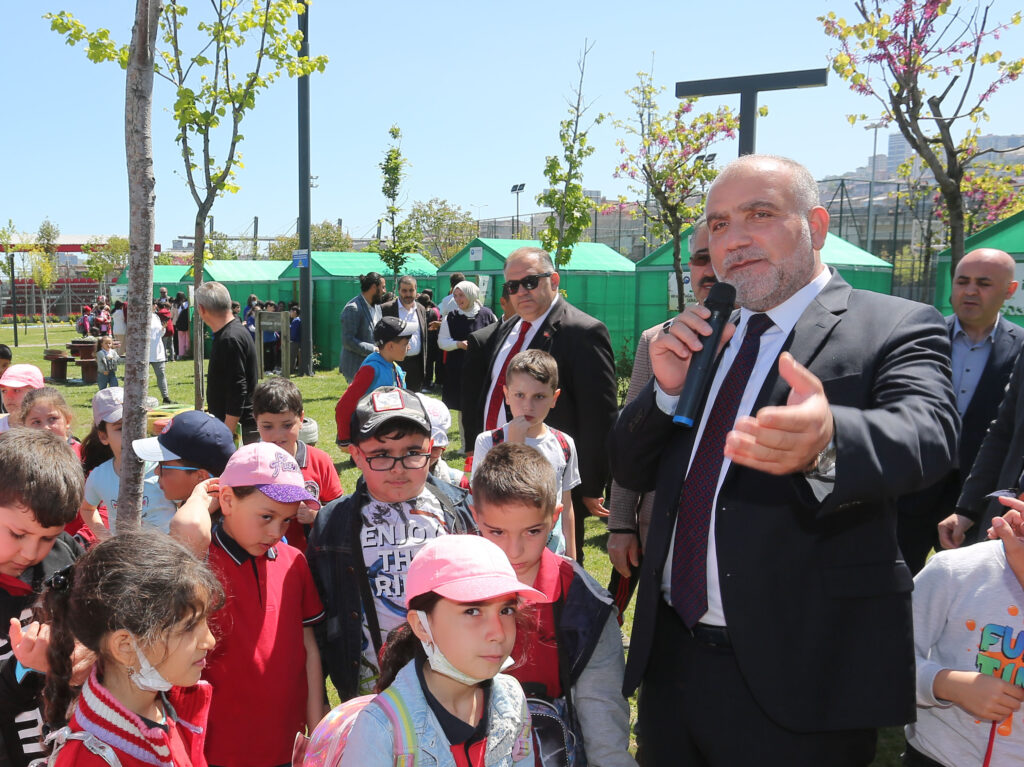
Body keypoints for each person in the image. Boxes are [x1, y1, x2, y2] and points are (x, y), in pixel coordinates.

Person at [610, 154, 958, 765]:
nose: (734, 238)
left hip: (801, 676)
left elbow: (928, 433)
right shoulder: (700, 336)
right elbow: (630, 466)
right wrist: (664, 393)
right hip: (672, 664)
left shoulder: (894, 324)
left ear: (816, 226)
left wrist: (829, 442)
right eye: (718, 225)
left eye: (759, 214)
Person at [308, 387, 476, 700]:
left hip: (454, 685)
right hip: (371, 695)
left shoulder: (463, 511)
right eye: (381, 455)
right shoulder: (333, 524)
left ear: (432, 448)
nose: (398, 468)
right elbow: (317, 624)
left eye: (412, 452)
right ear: (356, 454)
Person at [473, 443, 634, 767]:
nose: (513, 550)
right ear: (475, 516)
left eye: (532, 531)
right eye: (497, 531)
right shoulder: (449, 591)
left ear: (554, 517)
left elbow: (605, 735)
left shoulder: (585, 607)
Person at [463, 246, 617, 563]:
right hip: (492, 460)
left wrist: (589, 484)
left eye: (531, 281)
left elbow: (599, 415)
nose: (521, 291)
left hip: (548, 479)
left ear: (554, 280)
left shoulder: (583, 332)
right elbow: (491, 392)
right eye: (512, 286)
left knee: (554, 564)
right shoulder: (506, 328)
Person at [338, 534, 540, 767]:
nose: (498, 633)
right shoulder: (381, 729)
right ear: (421, 625)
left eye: (506, 611)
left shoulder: (512, 699)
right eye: (472, 611)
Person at [38, 532, 221, 767]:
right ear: (126, 647)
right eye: (189, 627)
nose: (210, 641)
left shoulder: (170, 704)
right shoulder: (90, 760)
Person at [896, 248, 1022, 572]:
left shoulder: (1020, 347)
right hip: (912, 485)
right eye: (962, 281)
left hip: (977, 499)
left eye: (983, 283)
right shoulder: (917, 337)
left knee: (967, 589)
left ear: (1010, 290)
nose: (969, 291)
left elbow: (1005, 431)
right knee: (896, 579)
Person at [201, 442, 326, 767]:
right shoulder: (198, 564)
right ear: (227, 500)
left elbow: (308, 647)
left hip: (288, 745)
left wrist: (317, 727)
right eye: (266, 516)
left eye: (286, 521)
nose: (276, 532)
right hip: (217, 748)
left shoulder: (294, 562)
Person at [607, 221, 716, 589]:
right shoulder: (658, 339)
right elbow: (631, 438)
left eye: (720, 257)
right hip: (659, 528)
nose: (711, 269)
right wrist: (622, 523)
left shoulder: (770, 343)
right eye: (701, 259)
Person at [0, 429, 84, 767]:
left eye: (48, 537)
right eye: (18, 534)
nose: (31, 552)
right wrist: (24, 668)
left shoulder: (66, 556)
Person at [472, 350, 579, 558]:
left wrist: (572, 560)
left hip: (552, 553)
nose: (528, 406)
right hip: (504, 554)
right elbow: (484, 501)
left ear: (554, 398)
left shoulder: (564, 444)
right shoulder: (488, 442)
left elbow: (566, 506)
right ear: (507, 395)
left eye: (539, 396)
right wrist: (514, 446)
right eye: (520, 395)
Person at [254, 377, 343, 552]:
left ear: (301, 419)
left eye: (287, 425)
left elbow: (340, 512)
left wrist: (317, 515)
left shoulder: (319, 461)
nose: (277, 436)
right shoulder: (249, 464)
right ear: (255, 421)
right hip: (263, 557)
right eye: (267, 426)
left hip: (310, 558)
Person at [79, 387, 177, 539]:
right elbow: (87, 509)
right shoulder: (99, 476)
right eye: (121, 428)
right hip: (127, 559)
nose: (132, 433)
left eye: (136, 423)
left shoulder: (163, 467)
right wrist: (106, 539)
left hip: (166, 557)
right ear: (104, 436)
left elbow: (184, 505)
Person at [334, 316, 413, 446]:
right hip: (372, 439)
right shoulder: (371, 369)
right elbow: (344, 406)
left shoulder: (395, 367)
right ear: (391, 346)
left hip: (390, 435)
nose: (409, 347)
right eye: (405, 344)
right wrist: (345, 440)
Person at [197, 281, 259, 444]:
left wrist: (226, 434)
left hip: (239, 429)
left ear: (202, 310)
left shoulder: (229, 338)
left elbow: (237, 388)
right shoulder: (233, 330)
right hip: (237, 424)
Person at [439, 280, 497, 445]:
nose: (458, 299)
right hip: (459, 368)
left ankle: (485, 440)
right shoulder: (451, 317)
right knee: (463, 405)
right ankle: (466, 444)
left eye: (461, 295)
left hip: (482, 368)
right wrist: (458, 344)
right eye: (455, 296)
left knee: (483, 402)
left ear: (471, 295)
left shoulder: (486, 314)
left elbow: (495, 337)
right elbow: (442, 342)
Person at [383, 275, 428, 392]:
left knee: (414, 402)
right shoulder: (386, 309)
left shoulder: (421, 309)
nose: (408, 294)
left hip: (416, 365)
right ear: (399, 291)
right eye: (404, 290)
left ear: (416, 290)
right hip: (394, 364)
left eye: (411, 290)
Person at [340, 272, 385, 381]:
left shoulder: (377, 306)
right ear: (374, 287)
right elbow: (348, 341)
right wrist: (374, 349)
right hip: (356, 368)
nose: (384, 291)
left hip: (374, 366)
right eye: (383, 287)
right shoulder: (353, 308)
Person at [20, 386, 81, 457]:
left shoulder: (83, 455)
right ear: (24, 427)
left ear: (67, 421)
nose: (45, 428)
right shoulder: (21, 458)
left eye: (52, 419)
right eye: (36, 422)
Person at [0, 364, 44, 433]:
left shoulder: (48, 427)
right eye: (4, 391)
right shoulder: (1, 427)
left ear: (37, 392)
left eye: (16, 390)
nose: (8, 397)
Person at [418, 289, 443, 392]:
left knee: (426, 364)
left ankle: (424, 383)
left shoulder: (419, 312)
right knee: (432, 363)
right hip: (433, 340)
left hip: (424, 341)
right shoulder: (434, 311)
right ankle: (430, 383)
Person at [148, 304, 172, 405]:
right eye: (153, 305)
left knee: (161, 375)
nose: (155, 306)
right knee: (142, 376)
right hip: (145, 352)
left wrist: (163, 328)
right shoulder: (140, 316)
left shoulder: (156, 317)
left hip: (158, 351)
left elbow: (160, 334)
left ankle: (166, 398)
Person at [174, 291, 191, 359]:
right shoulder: (188, 304)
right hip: (188, 324)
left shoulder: (179, 305)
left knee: (181, 340)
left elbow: (178, 314)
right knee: (187, 340)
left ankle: (181, 354)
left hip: (180, 325)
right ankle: (188, 353)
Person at [289, 304, 302, 373]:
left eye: (290, 311)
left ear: (294, 312)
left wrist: (291, 339)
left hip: (295, 341)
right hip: (297, 341)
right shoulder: (297, 320)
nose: (290, 313)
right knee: (294, 357)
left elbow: (293, 332)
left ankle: (290, 370)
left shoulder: (295, 320)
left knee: (292, 357)